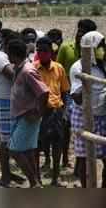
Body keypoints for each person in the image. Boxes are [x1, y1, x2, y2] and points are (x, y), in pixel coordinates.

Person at [8, 39, 49, 188]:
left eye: (8, 53)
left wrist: (39, 113)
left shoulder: (27, 70)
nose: (7, 56)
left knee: (15, 150)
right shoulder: (18, 68)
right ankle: (36, 183)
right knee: (28, 151)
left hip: (28, 116)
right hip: (20, 115)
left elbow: (44, 92)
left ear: (14, 54)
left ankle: (33, 183)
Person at [57, 19, 97, 168]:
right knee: (66, 126)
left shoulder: (97, 52)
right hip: (69, 92)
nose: (79, 34)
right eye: (79, 30)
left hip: (90, 94)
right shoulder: (66, 47)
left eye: (84, 31)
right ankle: (65, 158)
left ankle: (80, 165)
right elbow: (58, 69)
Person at [70, 31, 106, 188]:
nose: (103, 50)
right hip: (84, 115)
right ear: (91, 48)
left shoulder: (103, 64)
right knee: (85, 158)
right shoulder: (78, 67)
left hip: (103, 114)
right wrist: (86, 86)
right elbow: (76, 96)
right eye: (100, 47)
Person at [34, 37, 70, 186]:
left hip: (56, 111)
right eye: (39, 51)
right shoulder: (33, 68)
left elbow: (65, 91)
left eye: (45, 51)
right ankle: (37, 179)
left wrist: (64, 112)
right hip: (40, 113)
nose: (42, 54)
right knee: (37, 146)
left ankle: (55, 178)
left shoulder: (59, 68)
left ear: (51, 52)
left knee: (57, 145)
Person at [0, 29, 24, 187]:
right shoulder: (0, 58)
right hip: (4, 101)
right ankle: (5, 176)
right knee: (6, 141)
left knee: (13, 140)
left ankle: (9, 173)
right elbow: (13, 75)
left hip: (14, 101)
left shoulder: (10, 58)